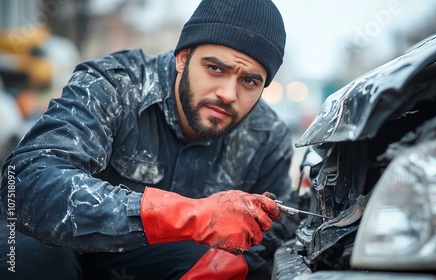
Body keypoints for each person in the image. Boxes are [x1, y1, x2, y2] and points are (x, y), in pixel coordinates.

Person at [0, 0, 298, 279]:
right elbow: (29, 181)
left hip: (147, 261)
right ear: (183, 58)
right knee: (33, 258)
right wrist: (189, 215)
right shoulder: (114, 84)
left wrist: (238, 263)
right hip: (58, 243)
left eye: (249, 81)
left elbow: (275, 236)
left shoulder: (267, 135)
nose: (228, 94)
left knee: (221, 264)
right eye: (215, 68)